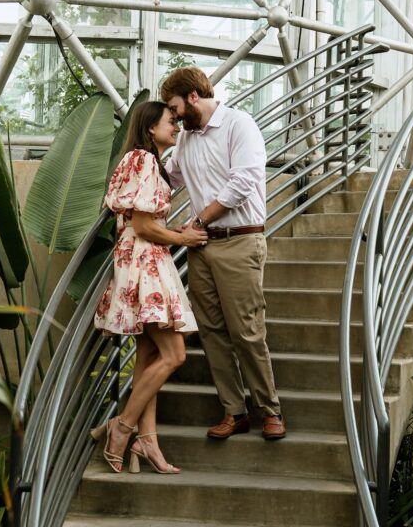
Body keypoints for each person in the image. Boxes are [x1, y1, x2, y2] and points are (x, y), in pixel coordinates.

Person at [160, 66, 286, 441]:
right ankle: (234, 411)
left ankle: (270, 409)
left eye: (176, 106)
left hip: (240, 241)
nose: (175, 115)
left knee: (246, 331)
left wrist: (197, 220)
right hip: (201, 246)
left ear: (193, 96)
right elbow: (171, 179)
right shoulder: (186, 139)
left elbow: (244, 183)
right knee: (212, 332)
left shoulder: (239, 125)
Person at [92, 101, 208, 473]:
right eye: (169, 122)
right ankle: (122, 427)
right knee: (174, 355)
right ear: (150, 127)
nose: (174, 127)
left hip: (143, 261)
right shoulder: (142, 159)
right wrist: (182, 237)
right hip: (144, 260)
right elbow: (142, 225)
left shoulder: (144, 161)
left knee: (146, 359)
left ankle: (148, 441)